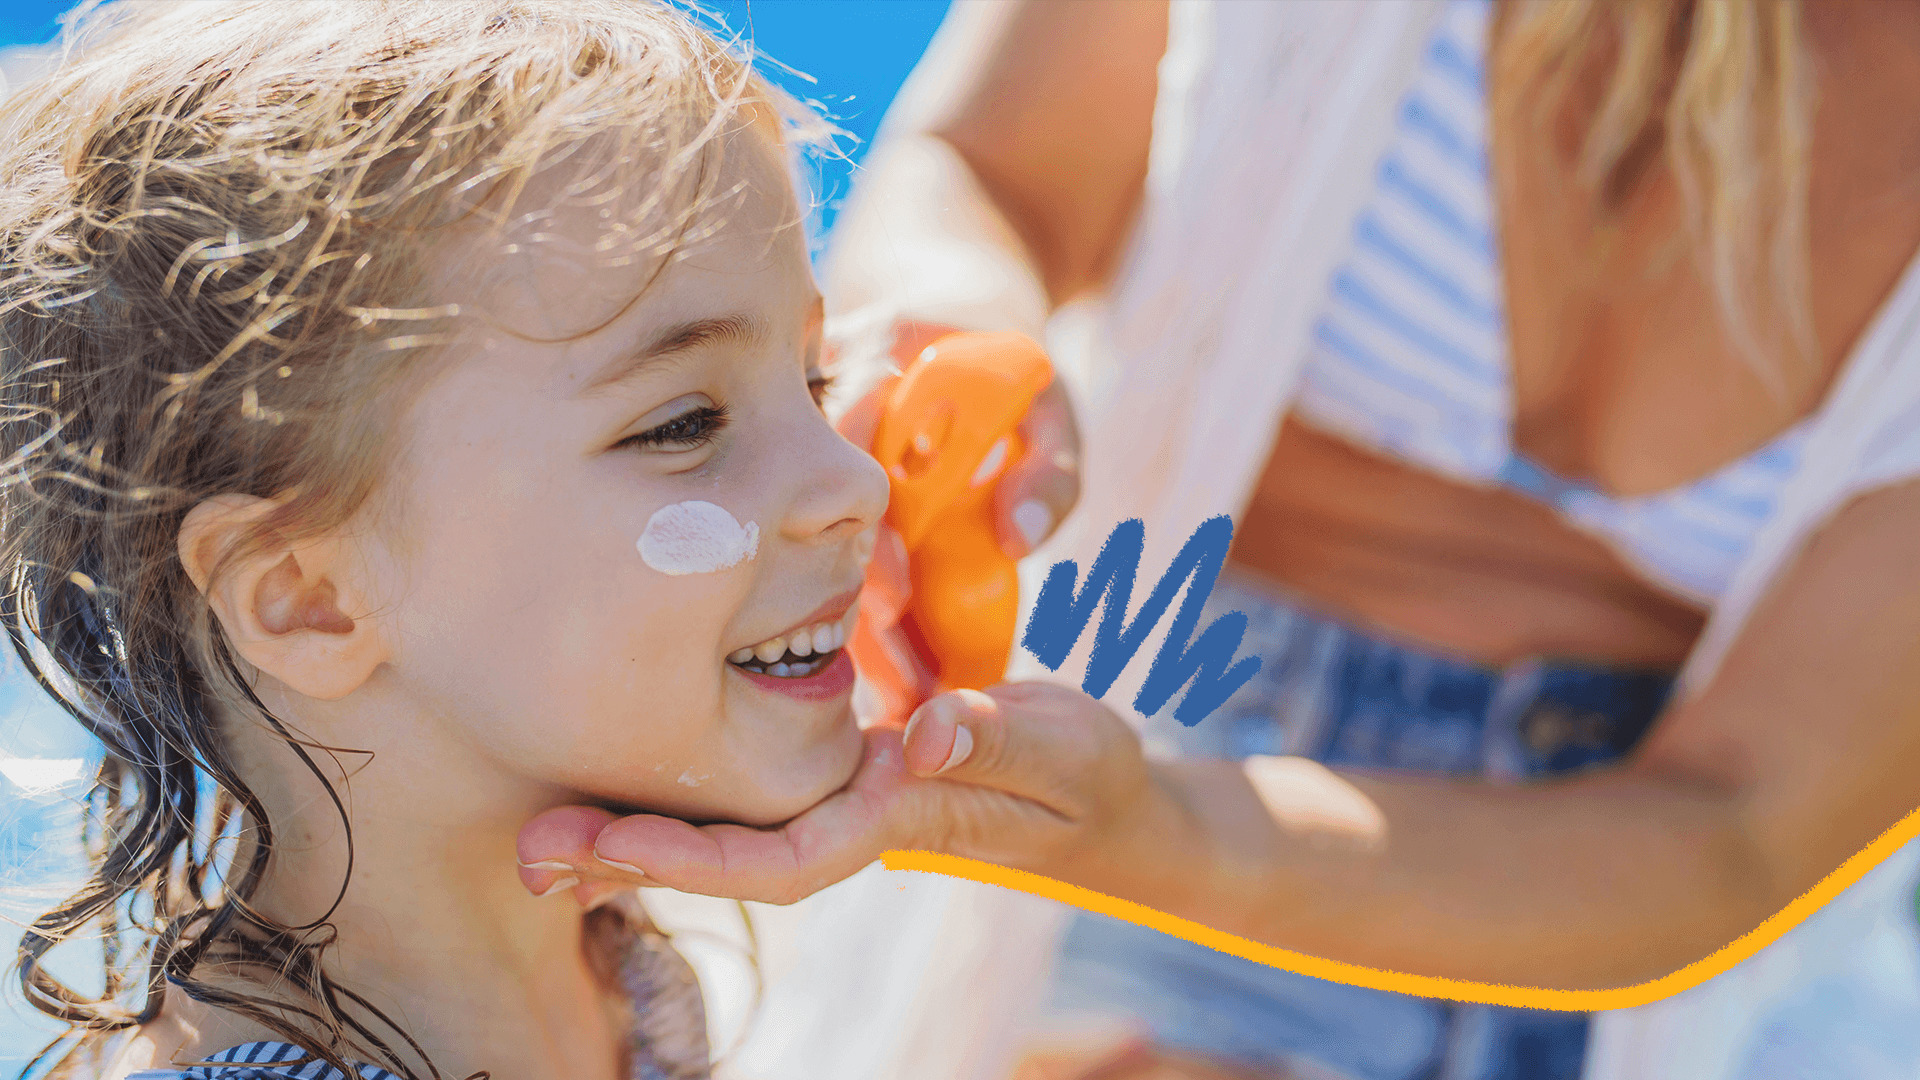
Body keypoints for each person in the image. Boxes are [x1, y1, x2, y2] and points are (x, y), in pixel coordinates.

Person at [517, 1, 1920, 1078]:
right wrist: (952, 332)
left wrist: (1143, 827)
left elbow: (1736, 833)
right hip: (1122, 684)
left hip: (1616, 932)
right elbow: (991, 175)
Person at [0, 3, 889, 1078]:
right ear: (308, 598)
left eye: (814, 378)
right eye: (682, 425)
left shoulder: (622, 974)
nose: (857, 480)